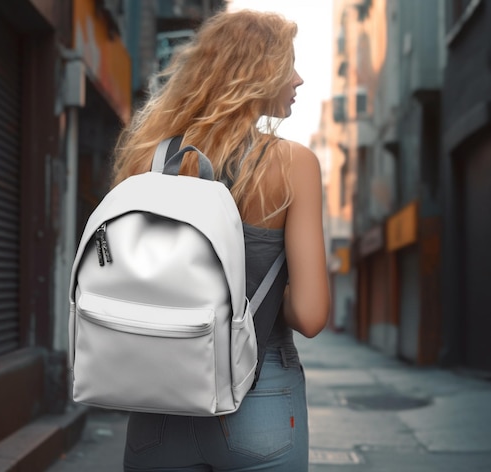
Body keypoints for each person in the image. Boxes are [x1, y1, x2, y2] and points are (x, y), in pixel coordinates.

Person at [111, 8, 331, 472]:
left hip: (157, 396)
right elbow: (311, 316)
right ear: (257, 73)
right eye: (288, 63)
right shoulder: (292, 164)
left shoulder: (145, 158)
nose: (299, 78)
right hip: (259, 392)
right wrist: (259, 290)